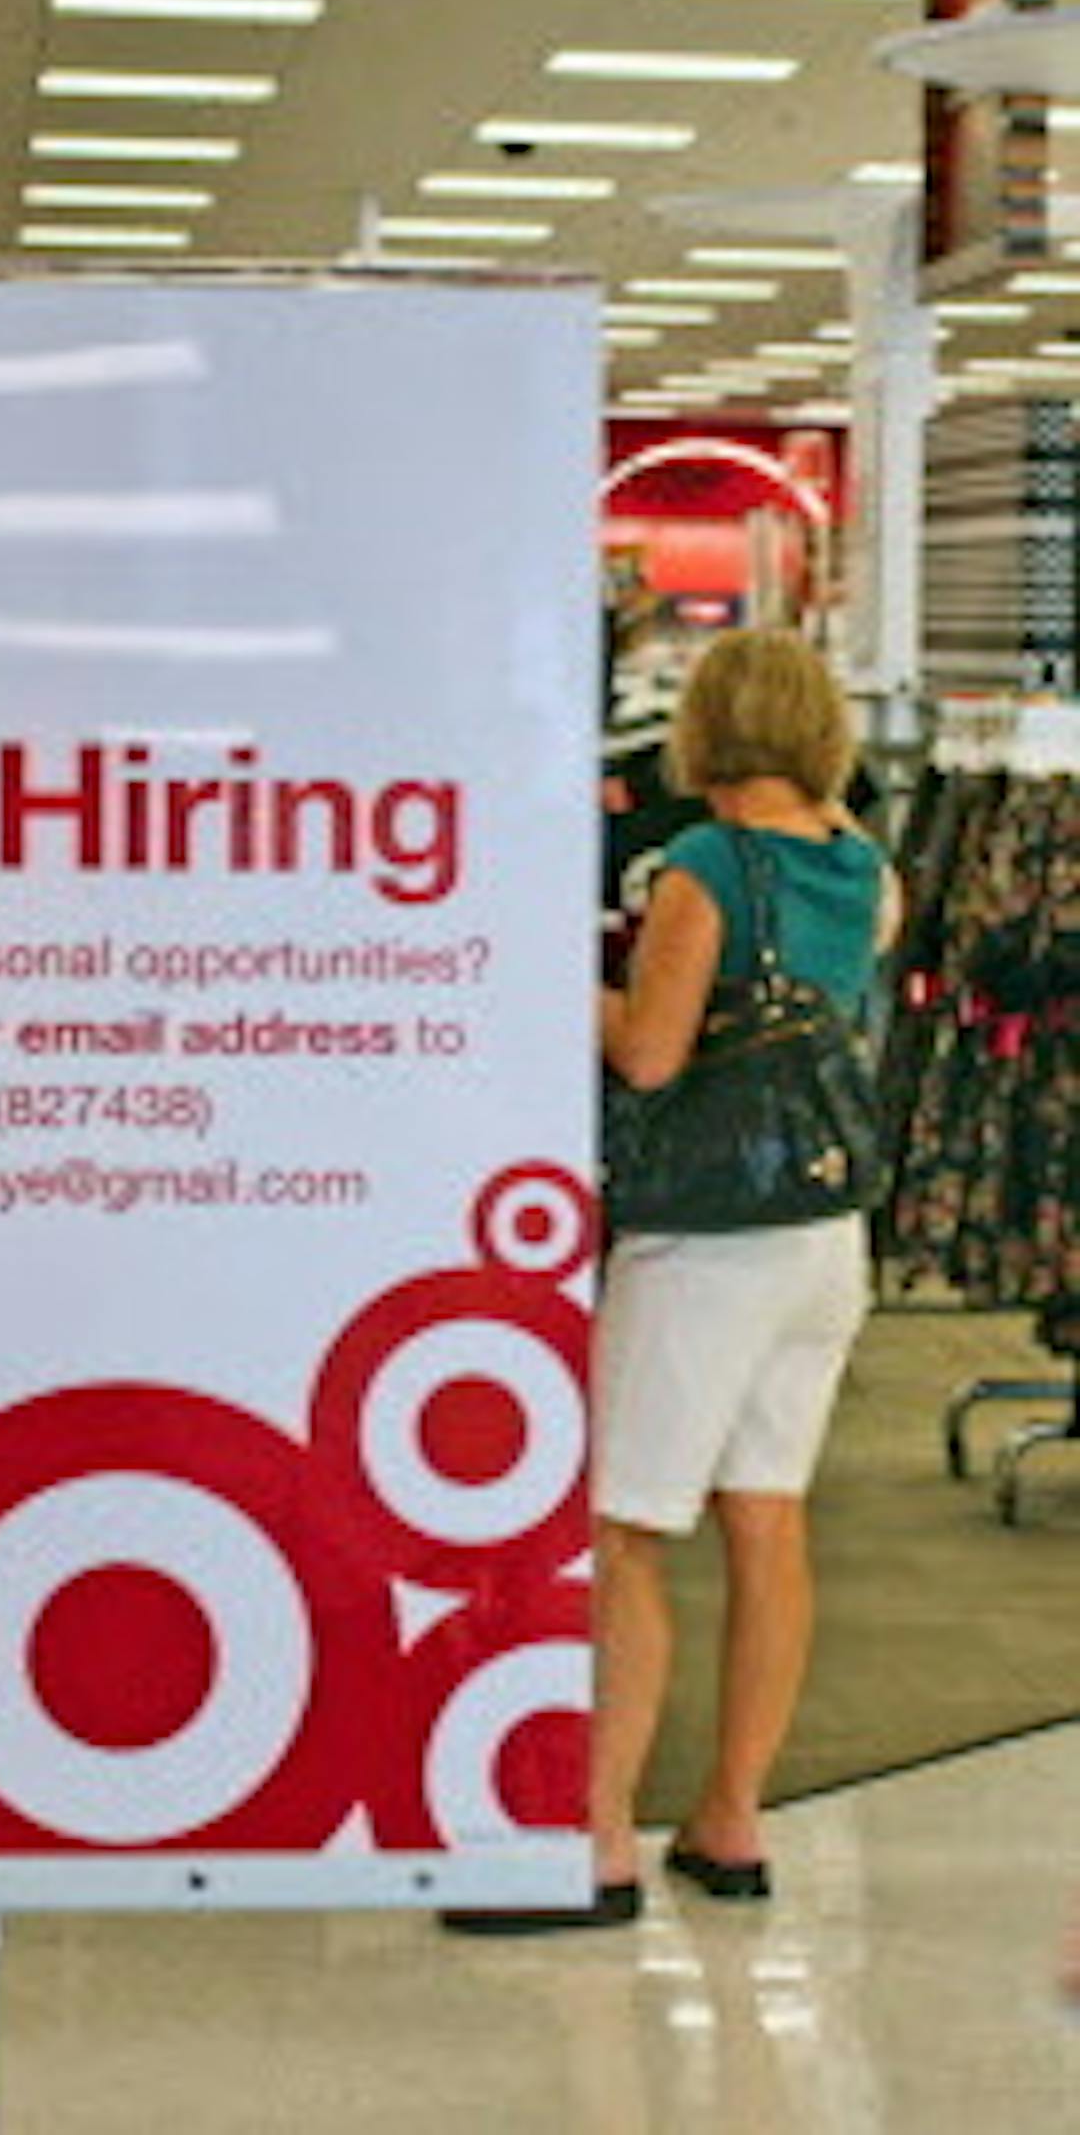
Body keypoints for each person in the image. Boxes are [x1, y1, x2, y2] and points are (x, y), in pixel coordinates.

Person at [452, 626, 894, 1935]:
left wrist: (562, 978)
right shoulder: (864, 861)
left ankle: (591, 1844)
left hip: (710, 1239)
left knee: (622, 1529)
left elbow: (652, 1055)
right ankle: (731, 1819)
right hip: (825, 1231)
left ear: (708, 728)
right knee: (767, 1519)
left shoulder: (708, 862)